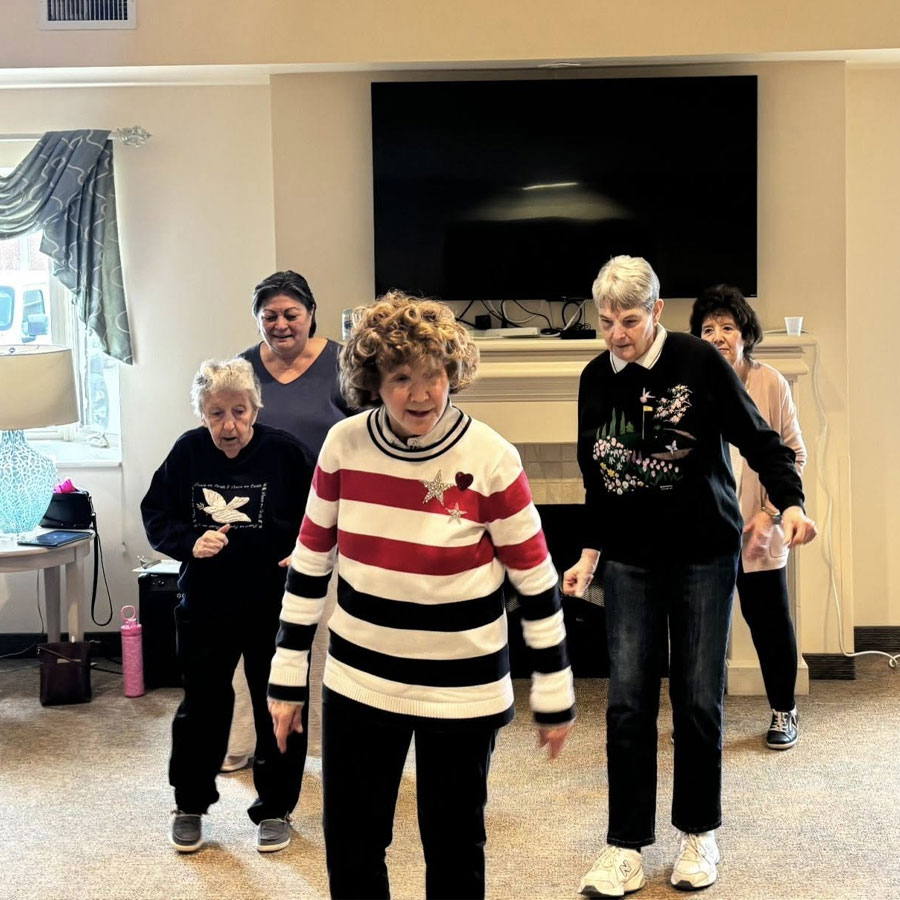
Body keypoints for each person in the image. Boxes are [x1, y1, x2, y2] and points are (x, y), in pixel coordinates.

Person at [267, 291, 576, 900]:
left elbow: (535, 576)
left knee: (454, 845)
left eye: (434, 375)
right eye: (401, 377)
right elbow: (310, 561)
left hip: (463, 687)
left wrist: (554, 684)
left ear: (452, 374)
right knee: (352, 842)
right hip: (359, 679)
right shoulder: (343, 445)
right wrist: (286, 674)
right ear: (373, 381)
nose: (421, 394)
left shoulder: (492, 456)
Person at [563, 256, 817, 896]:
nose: (617, 334)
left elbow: (762, 441)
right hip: (630, 561)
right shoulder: (594, 378)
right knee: (627, 703)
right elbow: (598, 481)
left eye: (629, 320)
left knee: (699, 699)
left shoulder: (699, 362)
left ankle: (699, 833)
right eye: (606, 321)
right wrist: (589, 554)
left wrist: (789, 504)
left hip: (703, 553)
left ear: (656, 312)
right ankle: (625, 845)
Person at [140, 357, 312, 854]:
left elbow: (325, 510)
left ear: (255, 408)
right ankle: (190, 804)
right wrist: (190, 543)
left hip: (273, 606)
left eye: (239, 411)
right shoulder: (187, 452)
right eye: (216, 414)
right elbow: (156, 513)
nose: (229, 425)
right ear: (202, 414)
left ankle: (275, 808)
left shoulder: (284, 453)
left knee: (279, 705)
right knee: (202, 706)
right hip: (206, 603)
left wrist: (306, 549)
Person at [222, 270, 350, 772]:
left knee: (321, 636)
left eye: (291, 314)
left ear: (310, 313)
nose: (280, 324)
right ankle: (241, 741)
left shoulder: (344, 363)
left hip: (330, 520)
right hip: (258, 524)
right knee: (250, 637)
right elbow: (223, 434)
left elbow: (368, 435)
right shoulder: (241, 369)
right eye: (269, 315)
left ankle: (319, 746)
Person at [690, 284, 806, 749]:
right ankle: (700, 718)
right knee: (702, 632)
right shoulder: (689, 386)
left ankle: (784, 710)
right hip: (705, 533)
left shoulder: (770, 384)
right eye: (707, 329)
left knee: (770, 625)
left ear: (745, 335)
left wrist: (770, 513)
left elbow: (793, 454)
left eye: (727, 327)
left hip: (760, 532)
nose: (717, 336)